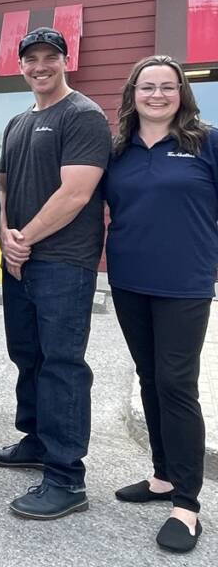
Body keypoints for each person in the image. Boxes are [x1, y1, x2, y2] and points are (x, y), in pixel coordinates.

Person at [0, 26, 111, 520]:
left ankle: (66, 477)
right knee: (27, 355)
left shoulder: (82, 115)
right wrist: (4, 237)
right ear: (20, 66)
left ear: (65, 61)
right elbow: (0, 186)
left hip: (64, 263)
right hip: (20, 260)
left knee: (62, 366)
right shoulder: (16, 122)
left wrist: (23, 239)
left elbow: (76, 193)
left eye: (49, 57)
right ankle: (36, 440)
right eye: (31, 59)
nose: (40, 66)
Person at [104, 55, 214, 554]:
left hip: (184, 285)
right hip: (129, 281)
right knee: (149, 376)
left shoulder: (205, 142)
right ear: (133, 94)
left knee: (176, 384)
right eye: (147, 87)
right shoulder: (119, 150)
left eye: (167, 87)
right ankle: (163, 476)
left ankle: (188, 505)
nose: (156, 95)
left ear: (181, 94)